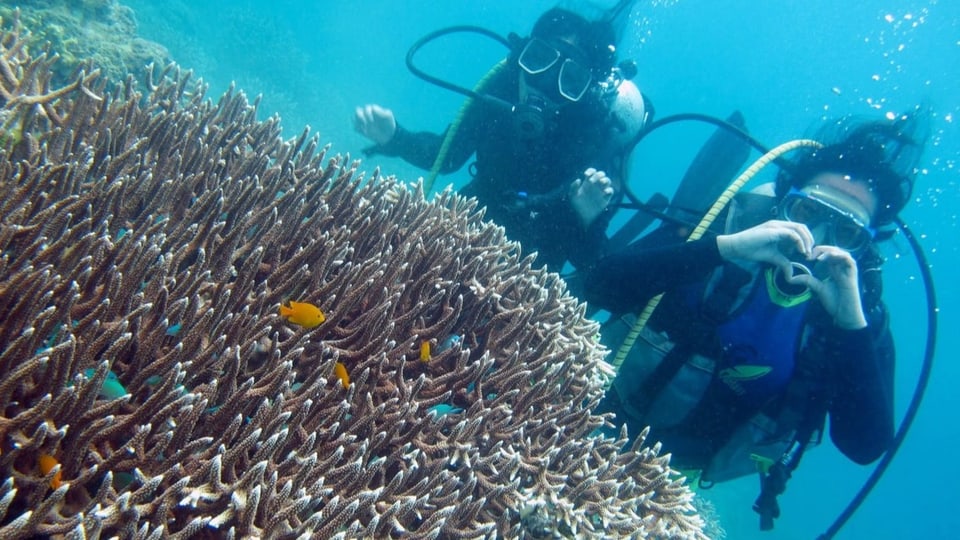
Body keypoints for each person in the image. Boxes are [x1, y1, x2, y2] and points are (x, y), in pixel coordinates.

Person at [583, 112, 927, 525]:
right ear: (784, 201)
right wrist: (722, 249)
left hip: (671, 487)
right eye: (807, 212)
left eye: (846, 233)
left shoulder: (857, 314)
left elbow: (865, 445)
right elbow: (599, 287)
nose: (815, 240)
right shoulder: (719, 232)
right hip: (588, 420)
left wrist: (851, 324)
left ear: (864, 248)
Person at [355, 4, 646, 272]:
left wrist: (584, 216)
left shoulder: (592, 133)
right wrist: (395, 136)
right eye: (539, 59)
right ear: (521, 56)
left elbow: (591, 262)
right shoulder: (501, 88)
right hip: (466, 221)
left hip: (532, 268)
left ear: (583, 92)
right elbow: (444, 156)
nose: (544, 84)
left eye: (569, 79)